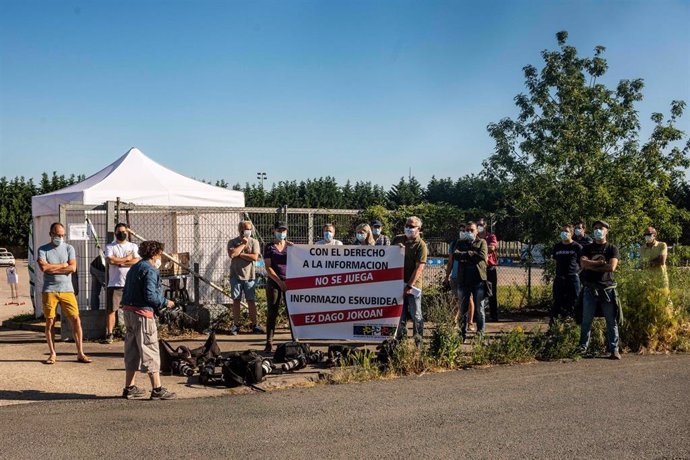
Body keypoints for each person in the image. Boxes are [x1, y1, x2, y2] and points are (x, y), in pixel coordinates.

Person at [120, 240, 176, 400]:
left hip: (129, 313)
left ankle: (129, 387)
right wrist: (166, 302)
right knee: (149, 348)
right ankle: (157, 389)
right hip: (143, 315)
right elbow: (150, 295)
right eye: (160, 253)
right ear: (154, 254)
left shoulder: (134, 267)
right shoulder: (150, 270)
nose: (161, 257)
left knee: (132, 350)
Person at [37, 222, 91, 365]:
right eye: (57, 235)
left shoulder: (69, 248)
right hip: (49, 290)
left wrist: (52, 268)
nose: (60, 237)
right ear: (51, 234)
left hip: (67, 289)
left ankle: (80, 352)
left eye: (62, 235)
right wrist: (62, 265)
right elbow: (44, 268)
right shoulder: (43, 250)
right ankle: (52, 353)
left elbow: (72, 268)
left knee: (75, 319)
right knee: (50, 321)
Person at [579, 220, 622, 360]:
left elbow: (611, 267)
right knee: (586, 320)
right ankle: (582, 348)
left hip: (607, 289)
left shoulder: (612, 248)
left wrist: (591, 266)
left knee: (611, 320)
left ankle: (614, 349)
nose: (598, 230)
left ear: (606, 231)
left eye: (601, 228)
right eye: (596, 228)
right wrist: (598, 263)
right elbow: (583, 263)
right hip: (590, 288)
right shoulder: (586, 248)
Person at [393, 216, 427, 346]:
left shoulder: (421, 245)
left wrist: (409, 285)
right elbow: (388, 255)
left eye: (412, 226)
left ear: (418, 229)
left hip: (413, 286)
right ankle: (400, 342)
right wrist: (396, 248)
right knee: (399, 315)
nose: (408, 228)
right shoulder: (398, 239)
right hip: (397, 283)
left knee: (416, 314)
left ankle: (418, 341)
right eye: (407, 225)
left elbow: (419, 268)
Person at [103, 223, 140, 343]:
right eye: (119, 231)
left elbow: (136, 260)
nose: (122, 234)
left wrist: (121, 262)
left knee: (131, 309)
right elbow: (110, 260)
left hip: (130, 283)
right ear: (115, 233)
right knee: (111, 310)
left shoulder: (133, 246)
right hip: (114, 283)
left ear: (127, 233)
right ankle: (109, 334)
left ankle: (131, 332)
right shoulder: (110, 246)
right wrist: (127, 259)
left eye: (124, 231)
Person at [227, 220, 264, 335]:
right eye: (246, 229)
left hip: (249, 276)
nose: (248, 231)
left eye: (250, 229)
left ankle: (254, 325)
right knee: (236, 301)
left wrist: (241, 254)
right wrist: (243, 244)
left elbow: (255, 257)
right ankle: (236, 325)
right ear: (240, 230)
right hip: (235, 275)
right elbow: (232, 254)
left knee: (251, 301)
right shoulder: (232, 242)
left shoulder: (254, 242)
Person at [454, 222, 488, 341]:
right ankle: (461, 335)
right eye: (467, 230)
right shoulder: (460, 243)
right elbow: (456, 255)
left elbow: (482, 256)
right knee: (463, 309)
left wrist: (466, 255)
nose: (469, 232)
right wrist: (472, 255)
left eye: (471, 230)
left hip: (478, 281)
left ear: (477, 231)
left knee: (480, 309)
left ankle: (480, 335)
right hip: (463, 281)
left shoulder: (482, 242)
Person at [263, 221, 292, 352]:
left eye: (284, 231)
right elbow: (268, 267)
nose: (282, 233)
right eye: (279, 231)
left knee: (291, 312)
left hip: (290, 282)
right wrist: (280, 282)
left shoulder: (291, 246)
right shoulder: (269, 247)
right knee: (272, 312)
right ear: (274, 231)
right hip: (274, 282)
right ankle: (269, 341)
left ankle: (294, 339)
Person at [444, 224, 475, 329]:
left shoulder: (471, 244)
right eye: (461, 230)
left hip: (467, 276)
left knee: (469, 299)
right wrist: (447, 276)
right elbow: (450, 262)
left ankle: (470, 322)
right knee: (455, 299)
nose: (463, 232)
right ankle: (454, 321)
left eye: (465, 230)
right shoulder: (454, 244)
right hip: (455, 276)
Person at [551, 224, 582, 320]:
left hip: (573, 278)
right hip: (560, 278)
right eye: (562, 231)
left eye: (566, 231)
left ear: (572, 233)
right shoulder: (557, 247)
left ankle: (573, 324)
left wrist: (576, 273)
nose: (564, 233)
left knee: (574, 301)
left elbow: (582, 264)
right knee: (557, 301)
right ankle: (555, 325)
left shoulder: (577, 247)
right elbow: (555, 262)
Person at [477, 217, 499, 322]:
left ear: (485, 226)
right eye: (478, 225)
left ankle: (494, 316)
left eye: (481, 225)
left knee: (492, 292)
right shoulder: (475, 237)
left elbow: (492, 248)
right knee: (478, 291)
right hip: (479, 268)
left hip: (490, 268)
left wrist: (480, 250)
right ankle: (477, 316)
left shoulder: (491, 236)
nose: (479, 227)